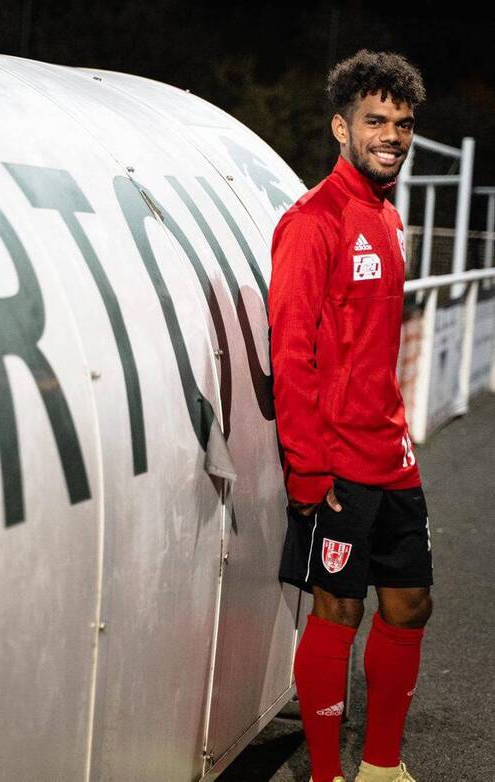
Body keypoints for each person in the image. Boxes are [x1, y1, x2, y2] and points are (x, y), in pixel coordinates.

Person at [268, 49, 433, 782]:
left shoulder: (390, 219)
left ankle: (382, 768)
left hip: (392, 456)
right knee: (339, 615)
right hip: (335, 467)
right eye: (375, 120)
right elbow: (290, 350)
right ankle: (328, 776)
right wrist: (307, 470)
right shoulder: (312, 221)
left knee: (411, 605)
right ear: (342, 127)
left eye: (401, 122)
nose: (391, 134)